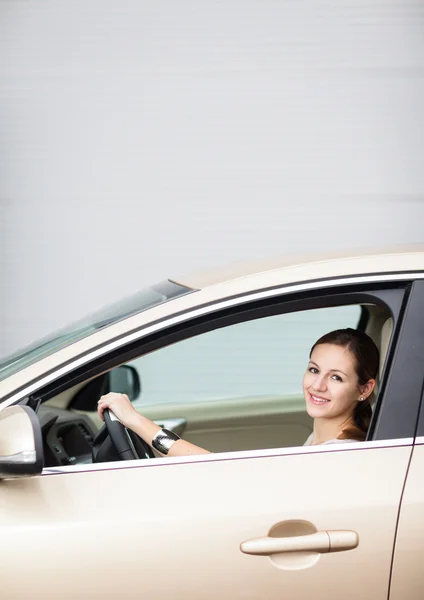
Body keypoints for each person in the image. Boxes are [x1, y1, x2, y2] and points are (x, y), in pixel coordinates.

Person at [97, 327, 379, 456]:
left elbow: (224, 474)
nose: (317, 386)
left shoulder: (341, 454)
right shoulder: (321, 439)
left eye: (337, 378)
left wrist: (135, 421)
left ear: (364, 389)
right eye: (314, 370)